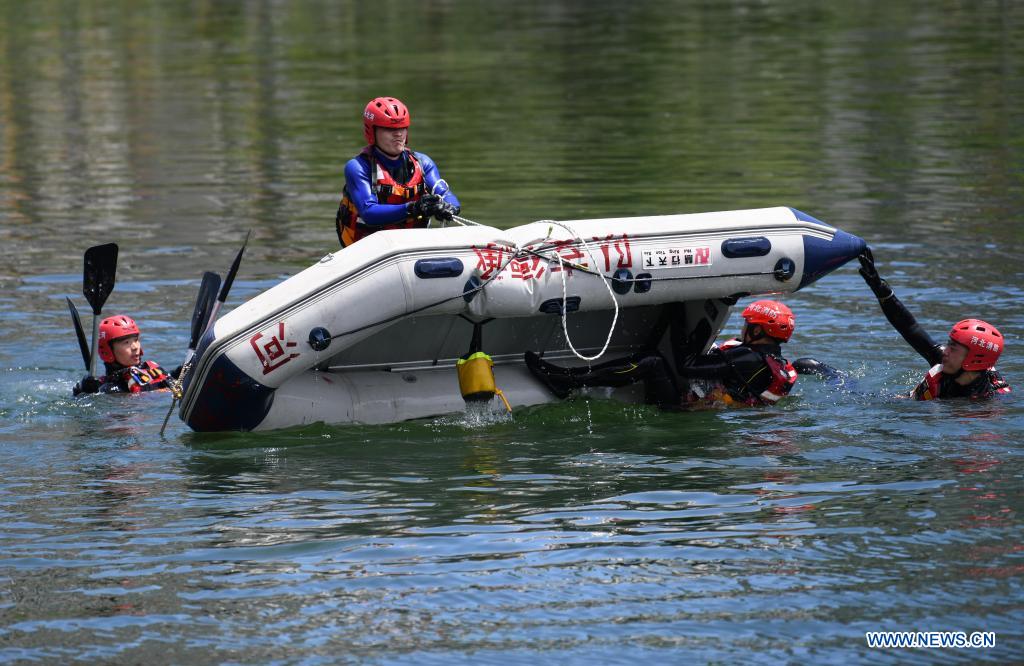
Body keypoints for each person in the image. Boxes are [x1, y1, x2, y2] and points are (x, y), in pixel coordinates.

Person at [525, 300, 799, 409]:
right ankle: (571, 379)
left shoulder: (748, 357)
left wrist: (678, 314)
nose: (743, 327)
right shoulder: (769, 359)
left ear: (758, 330)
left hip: (684, 411)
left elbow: (687, 367)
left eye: (748, 324)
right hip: (699, 402)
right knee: (651, 357)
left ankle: (568, 381)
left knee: (653, 363)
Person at [857, 248, 1010, 400]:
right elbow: (910, 327)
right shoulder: (948, 364)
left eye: (953, 348)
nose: (945, 351)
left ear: (973, 361)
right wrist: (880, 290)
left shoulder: (988, 403)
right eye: (949, 344)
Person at [335, 96, 461, 248]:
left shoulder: (423, 163)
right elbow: (369, 212)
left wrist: (449, 207)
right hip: (366, 246)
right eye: (390, 129)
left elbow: (446, 194)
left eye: (402, 128)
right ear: (372, 132)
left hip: (410, 244)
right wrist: (413, 208)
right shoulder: (358, 167)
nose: (398, 134)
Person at [73, 315, 175, 395]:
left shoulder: (148, 368)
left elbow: (170, 378)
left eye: (136, 340)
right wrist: (86, 393)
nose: (135, 347)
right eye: (126, 343)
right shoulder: (108, 389)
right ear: (107, 351)